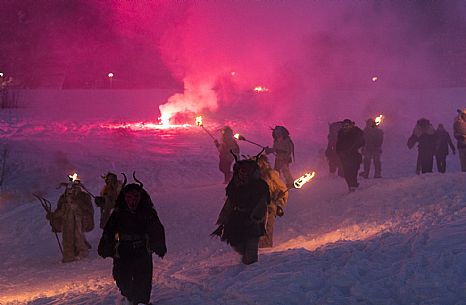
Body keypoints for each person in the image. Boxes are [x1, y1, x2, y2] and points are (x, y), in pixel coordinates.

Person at [98, 173, 167, 305]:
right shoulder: (119, 212)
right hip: (124, 249)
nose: (132, 200)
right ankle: (130, 297)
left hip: (142, 249)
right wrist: (106, 246)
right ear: (124, 198)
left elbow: (156, 228)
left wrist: (158, 244)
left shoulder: (147, 211)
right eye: (129, 197)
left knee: (143, 279)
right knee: (122, 277)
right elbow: (109, 230)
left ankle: (140, 301)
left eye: (135, 196)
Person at [213, 152, 269, 264]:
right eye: (240, 171)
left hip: (252, 220)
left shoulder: (259, 186)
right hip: (237, 219)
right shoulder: (235, 186)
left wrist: (255, 218)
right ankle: (247, 263)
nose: (242, 174)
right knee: (237, 243)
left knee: (251, 250)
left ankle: (251, 274)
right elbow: (229, 204)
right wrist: (223, 220)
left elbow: (262, 204)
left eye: (244, 171)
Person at [47, 177, 94, 263]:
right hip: (67, 222)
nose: (70, 191)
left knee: (78, 237)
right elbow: (61, 210)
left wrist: (77, 205)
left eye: (73, 188)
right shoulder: (64, 199)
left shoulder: (83, 197)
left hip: (78, 221)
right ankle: (68, 256)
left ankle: (82, 253)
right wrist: (53, 215)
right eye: (69, 189)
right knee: (67, 239)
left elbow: (87, 209)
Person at [256, 155, 288, 248]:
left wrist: (279, 204)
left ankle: (266, 249)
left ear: (264, 163)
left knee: (267, 227)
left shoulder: (271, 174)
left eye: (260, 162)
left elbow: (282, 189)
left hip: (270, 205)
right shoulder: (255, 175)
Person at [336, 119, 365, 192]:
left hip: (354, 155)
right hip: (344, 157)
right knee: (346, 172)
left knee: (353, 171)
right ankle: (350, 185)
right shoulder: (341, 134)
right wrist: (339, 152)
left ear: (351, 125)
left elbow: (361, 142)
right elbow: (338, 144)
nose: (345, 127)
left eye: (347, 126)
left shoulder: (356, 132)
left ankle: (353, 185)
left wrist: (356, 149)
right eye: (343, 126)